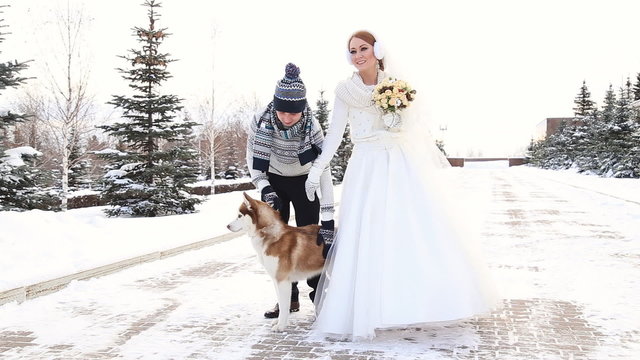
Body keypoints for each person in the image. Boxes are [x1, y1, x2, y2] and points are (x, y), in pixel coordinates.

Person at [306, 31, 495, 340]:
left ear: (377, 50)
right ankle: (369, 308)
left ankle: (415, 304)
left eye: (363, 48)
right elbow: (335, 135)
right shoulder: (345, 91)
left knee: (406, 231)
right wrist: (317, 169)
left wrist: (397, 122)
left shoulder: (397, 85)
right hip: (366, 165)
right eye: (352, 51)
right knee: (365, 234)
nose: (358, 55)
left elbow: (413, 127)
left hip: (398, 164)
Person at [246, 63, 335, 319]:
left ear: (302, 110)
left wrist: (327, 219)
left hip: (306, 179)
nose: (287, 118)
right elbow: (252, 159)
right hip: (273, 179)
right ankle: (288, 300)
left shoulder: (313, 127)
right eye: (282, 111)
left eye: (293, 114)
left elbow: (325, 171)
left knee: (312, 240)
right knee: (278, 242)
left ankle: (319, 299)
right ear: (275, 106)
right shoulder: (260, 122)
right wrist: (265, 188)